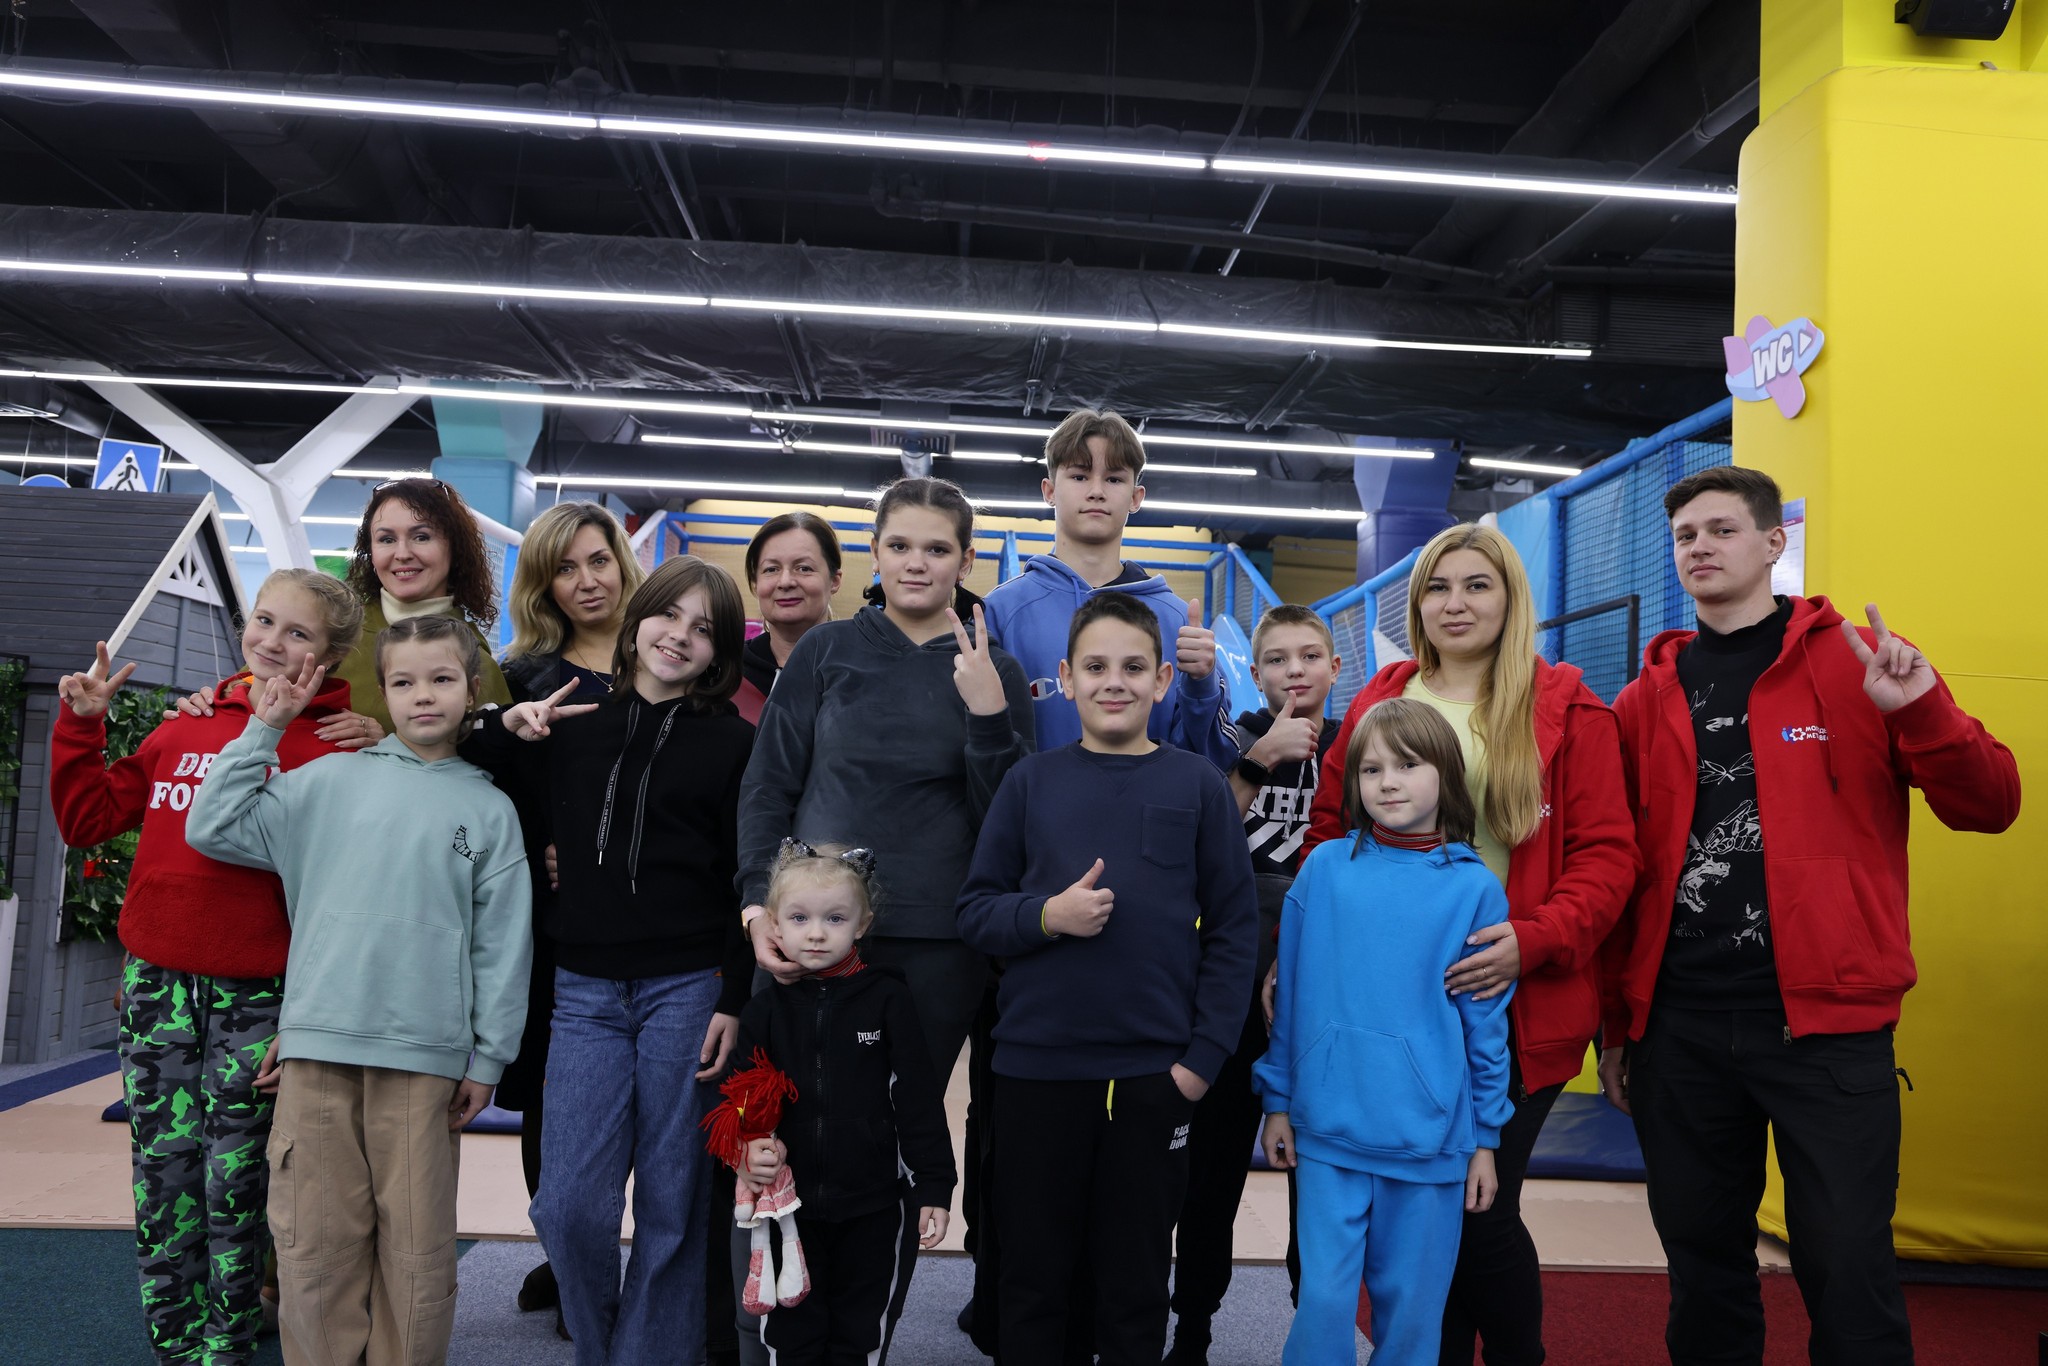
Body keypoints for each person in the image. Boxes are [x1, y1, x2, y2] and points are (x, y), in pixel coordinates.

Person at [1598, 466, 2020, 1366]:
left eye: (1722, 530)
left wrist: (1924, 712)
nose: (1700, 547)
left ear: (1772, 543)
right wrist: (1618, 1026)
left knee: (1848, 1270)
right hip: (1680, 1026)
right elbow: (1621, 874)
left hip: (1828, 1027)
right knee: (1702, 1269)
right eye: (1685, 536)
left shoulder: (1863, 663)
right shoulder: (1642, 699)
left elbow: (1992, 805)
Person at [1301, 523, 1637, 1366]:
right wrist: (1303, 958)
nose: (1455, 603)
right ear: (1417, 605)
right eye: (1438, 587)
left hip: (1514, 1001)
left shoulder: (1569, 708)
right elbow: (1329, 835)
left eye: (1476, 585)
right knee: (1417, 1227)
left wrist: (1533, 940)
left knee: (1478, 1212)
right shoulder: (1380, 701)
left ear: (1511, 598)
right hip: (1390, 1001)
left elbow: (1608, 858)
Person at [186, 615, 532, 1366]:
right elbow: (211, 825)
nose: (423, 695)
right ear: (385, 691)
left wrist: (488, 1059)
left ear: (473, 689)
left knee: (417, 1251)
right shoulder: (325, 783)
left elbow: (504, 946)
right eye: (403, 682)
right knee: (313, 1245)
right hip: (318, 1050)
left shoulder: (489, 811)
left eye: (441, 679)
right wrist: (265, 729)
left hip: (427, 1057)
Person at [48, 570, 363, 1366]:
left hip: (264, 995)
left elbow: (342, 901)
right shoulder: (184, 726)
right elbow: (87, 820)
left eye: (299, 633)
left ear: (329, 658)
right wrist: (82, 725)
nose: (273, 642)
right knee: (164, 1173)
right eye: (265, 620)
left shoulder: (337, 750)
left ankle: (228, 1341)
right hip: (159, 986)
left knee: (239, 1180)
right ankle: (175, 1345)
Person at [955, 591, 1257, 1366]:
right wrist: (1047, 916)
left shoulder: (1198, 786)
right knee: (1032, 1282)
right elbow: (977, 913)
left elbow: (1233, 931)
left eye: (1132, 667)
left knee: (1133, 1287)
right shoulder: (1030, 783)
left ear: (1163, 681)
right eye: (1095, 667)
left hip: (1153, 1079)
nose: (1113, 682)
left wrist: (1199, 1064)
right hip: (1036, 1075)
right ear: (1065, 678)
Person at [470, 555, 757, 1366]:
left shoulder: (737, 745)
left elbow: (750, 878)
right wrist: (507, 724)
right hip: (584, 992)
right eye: (669, 615)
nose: (681, 636)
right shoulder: (569, 727)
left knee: (673, 1203)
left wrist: (734, 997)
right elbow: (460, 751)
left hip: (689, 989)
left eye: (704, 629)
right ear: (636, 624)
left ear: (720, 653)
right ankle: (599, 1347)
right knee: (566, 1207)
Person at [1258, 698, 1514, 1366]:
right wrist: (1277, 1100)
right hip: (1327, 1132)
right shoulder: (1323, 869)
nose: (1387, 782)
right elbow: (1291, 1000)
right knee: (1321, 1303)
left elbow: (1485, 1030)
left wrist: (1485, 1140)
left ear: (1446, 776)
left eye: (1407, 765)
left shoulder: (1475, 890)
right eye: (1371, 769)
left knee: (1411, 1317)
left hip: (1431, 1143)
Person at [1166, 604, 1342, 1363]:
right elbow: (1196, 847)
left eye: (1309, 656)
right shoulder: (1231, 739)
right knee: (1210, 1175)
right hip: (1231, 984)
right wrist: (1258, 758)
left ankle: (1316, 1332)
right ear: (1255, 671)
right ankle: (1193, 1330)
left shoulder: (1358, 747)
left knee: (1320, 1177)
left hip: (1322, 985)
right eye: (1276, 659)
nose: (1294, 670)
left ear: (1336, 667)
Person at [495, 499, 646, 1333]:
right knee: (556, 1103)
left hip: (661, 917)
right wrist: (542, 848)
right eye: (564, 568)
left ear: (621, 562)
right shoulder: (523, 679)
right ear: (542, 585)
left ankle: (657, 1265)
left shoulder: (669, 656)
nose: (586, 580)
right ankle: (570, 1256)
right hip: (559, 926)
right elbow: (494, 793)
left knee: (655, 1103)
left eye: (597, 559)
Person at [717, 840, 957, 1365]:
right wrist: (747, 1146)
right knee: (792, 1336)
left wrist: (935, 1185)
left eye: (835, 918)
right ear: (774, 926)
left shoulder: (888, 999)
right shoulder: (764, 1011)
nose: (817, 933)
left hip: (873, 1206)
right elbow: (737, 1098)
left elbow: (917, 1097)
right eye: (799, 918)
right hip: (789, 1209)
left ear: (862, 924)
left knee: (859, 1335)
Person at [980, 407, 1236, 769]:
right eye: (1079, 476)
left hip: (1146, 805)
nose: (1097, 491)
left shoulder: (1179, 622)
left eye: (1114, 479)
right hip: (1033, 807)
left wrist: (1202, 685)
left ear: (1136, 497)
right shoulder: (1000, 613)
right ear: (1049, 490)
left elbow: (1212, 765)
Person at [329, 476, 512, 734]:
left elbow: (488, 756)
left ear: (454, 548)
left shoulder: (477, 661)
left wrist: (385, 745)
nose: (402, 553)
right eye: (386, 539)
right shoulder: (333, 636)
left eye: (422, 537)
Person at [739, 510, 844, 721]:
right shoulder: (728, 675)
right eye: (771, 569)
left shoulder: (862, 671)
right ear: (755, 584)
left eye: (804, 568)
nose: (785, 581)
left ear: (834, 581)